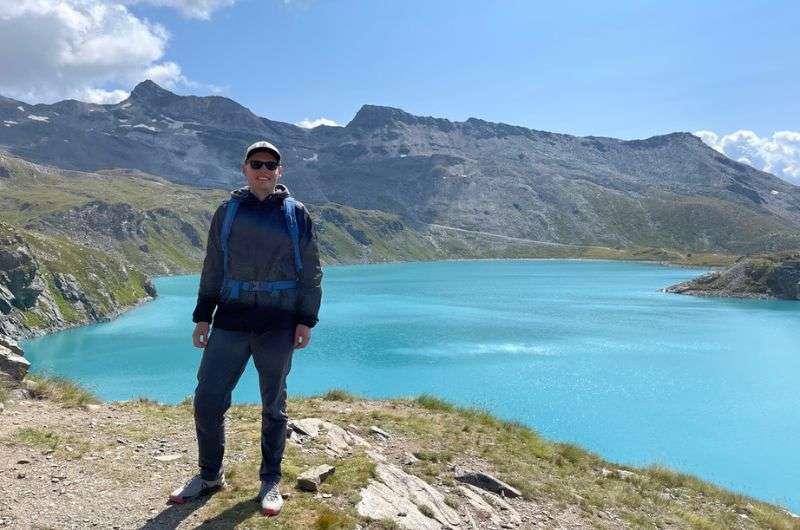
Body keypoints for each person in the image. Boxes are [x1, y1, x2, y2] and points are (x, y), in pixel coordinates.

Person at [168, 140, 323, 516]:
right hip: (231, 321)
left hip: (278, 323)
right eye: (257, 163)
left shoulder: (296, 214)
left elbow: (312, 269)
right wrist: (202, 316)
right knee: (208, 400)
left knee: (274, 406)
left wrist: (306, 319)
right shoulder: (227, 212)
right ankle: (209, 476)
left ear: (280, 172)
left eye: (271, 164)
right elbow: (213, 266)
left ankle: (270, 480)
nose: (264, 170)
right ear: (245, 169)